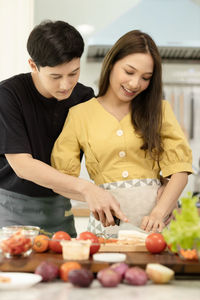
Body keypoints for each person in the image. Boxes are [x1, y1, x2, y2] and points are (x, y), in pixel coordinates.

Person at [51, 29, 193, 235]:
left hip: (156, 227)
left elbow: (180, 170)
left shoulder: (160, 110)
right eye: (129, 72)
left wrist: (159, 212)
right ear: (111, 64)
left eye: (146, 77)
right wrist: (93, 195)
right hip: (106, 227)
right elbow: (60, 180)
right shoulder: (79, 114)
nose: (135, 84)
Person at [0, 20, 128, 236]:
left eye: (73, 73)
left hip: (60, 206)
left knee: (67, 267)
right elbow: (23, 165)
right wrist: (86, 189)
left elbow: (105, 152)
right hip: (12, 207)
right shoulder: (9, 95)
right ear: (33, 65)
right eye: (56, 76)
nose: (66, 85)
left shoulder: (84, 97)